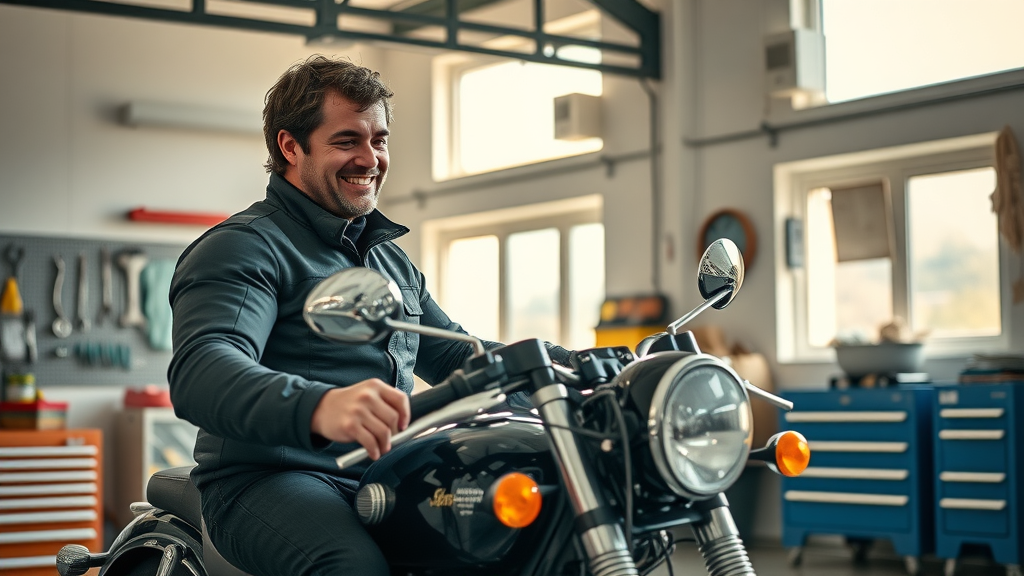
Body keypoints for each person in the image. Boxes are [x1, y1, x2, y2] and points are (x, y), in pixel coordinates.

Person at [168, 55, 570, 576]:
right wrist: (320, 406)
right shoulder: (244, 248)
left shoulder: (385, 256)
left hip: (384, 470)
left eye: (378, 140)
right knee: (354, 567)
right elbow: (204, 369)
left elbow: (452, 351)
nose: (370, 158)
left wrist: (575, 367)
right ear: (291, 147)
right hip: (267, 478)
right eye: (346, 141)